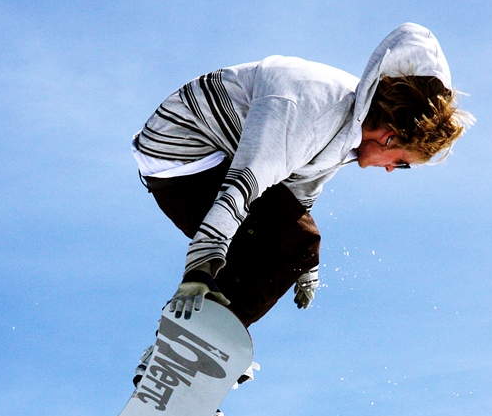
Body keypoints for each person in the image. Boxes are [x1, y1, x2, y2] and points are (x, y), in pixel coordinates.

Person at [133, 23, 471, 330]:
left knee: (288, 245)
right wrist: (200, 267)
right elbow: (243, 185)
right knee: (292, 242)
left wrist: (304, 264)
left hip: (205, 156)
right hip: (183, 151)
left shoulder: (347, 131)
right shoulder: (311, 111)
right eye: (400, 162)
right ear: (390, 136)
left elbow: (294, 197)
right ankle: (196, 341)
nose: (388, 170)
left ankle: (201, 346)